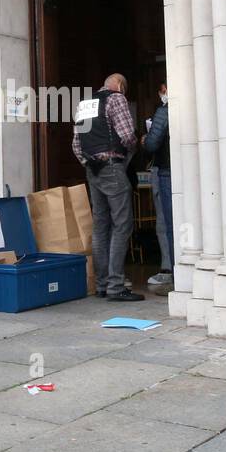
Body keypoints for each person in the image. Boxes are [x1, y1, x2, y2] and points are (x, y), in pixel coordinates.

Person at [73, 72, 142, 300]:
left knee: (100, 226)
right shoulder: (117, 98)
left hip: (92, 170)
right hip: (112, 167)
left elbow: (76, 144)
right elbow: (126, 135)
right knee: (122, 224)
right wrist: (134, 148)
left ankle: (102, 285)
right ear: (120, 86)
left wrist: (88, 162)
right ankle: (116, 286)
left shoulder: (85, 104)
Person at [142, 82, 172, 289]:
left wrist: (144, 140)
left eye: (162, 89)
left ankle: (169, 269)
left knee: (166, 222)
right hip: (187, 170)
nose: (161, 92)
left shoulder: (164, 111)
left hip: (165, 171)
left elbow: (152, 143)